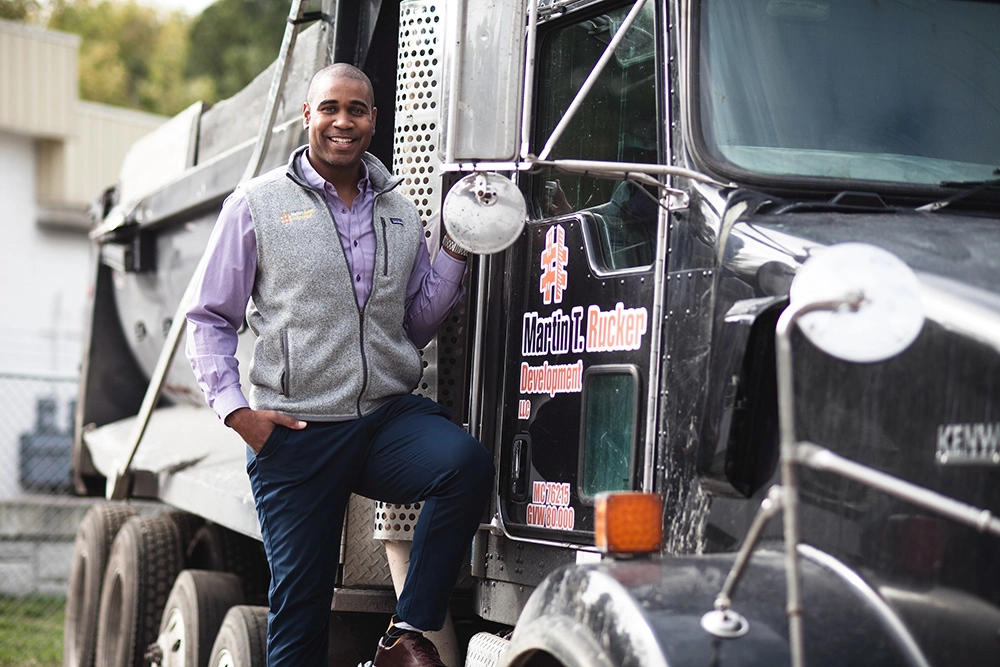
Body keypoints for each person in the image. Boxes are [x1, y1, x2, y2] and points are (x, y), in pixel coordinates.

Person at [185, 63, 494, 667]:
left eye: (357, 110)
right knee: (301, 614)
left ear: (374, 121)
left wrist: (454, 247)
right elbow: (208, 317)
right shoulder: (256, 205)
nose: (343, 122)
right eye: (330, 108)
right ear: (308, 116)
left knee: (464, 465)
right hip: (298, 430)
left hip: (383, 417)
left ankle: (405, 635)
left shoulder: (401, 212)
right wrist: (236, 413)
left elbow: (414, 322)